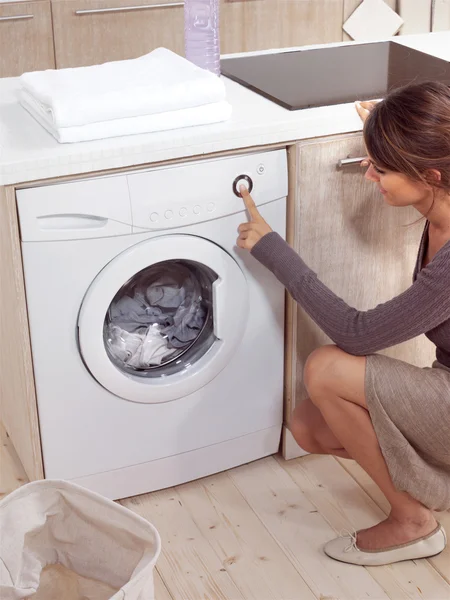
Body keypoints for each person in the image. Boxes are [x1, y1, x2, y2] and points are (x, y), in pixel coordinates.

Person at [237, 81, 450, 567]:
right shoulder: (440, 196)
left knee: (328, 367)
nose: (370, 175)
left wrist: (274, 250)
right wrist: (388, 131)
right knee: (310, 427)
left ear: (430, 173)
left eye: (381, 167)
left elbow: (357, 335)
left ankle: (413, 524)